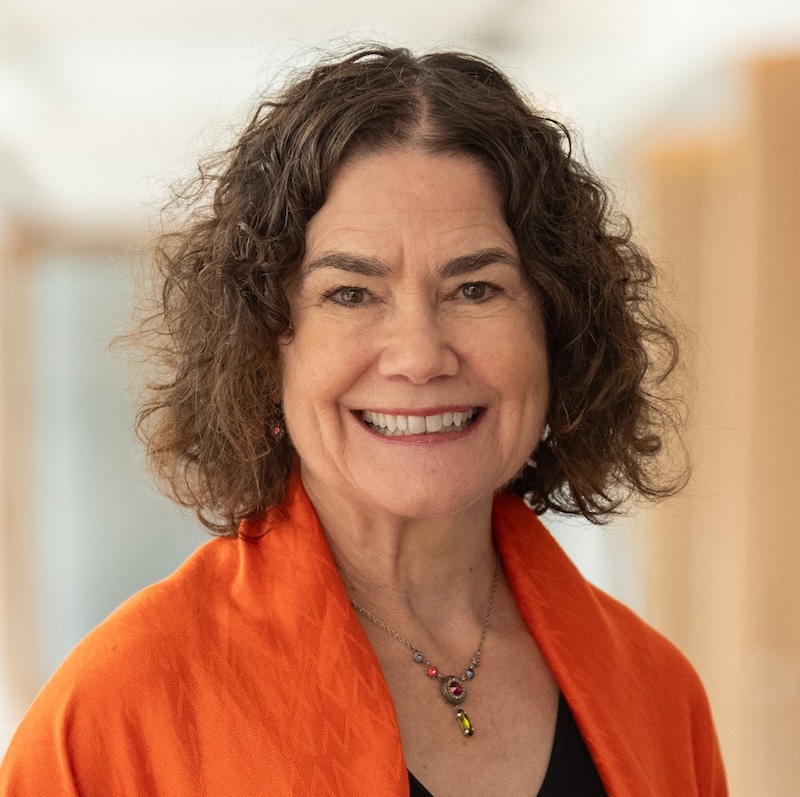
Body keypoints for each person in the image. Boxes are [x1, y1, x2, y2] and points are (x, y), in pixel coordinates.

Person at [0, 46, 726, 796]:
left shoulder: (661, 696)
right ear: (265, 346)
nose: (419, 355)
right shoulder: (118, 713)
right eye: (351, 294)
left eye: (476, 289)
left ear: (557, 331)